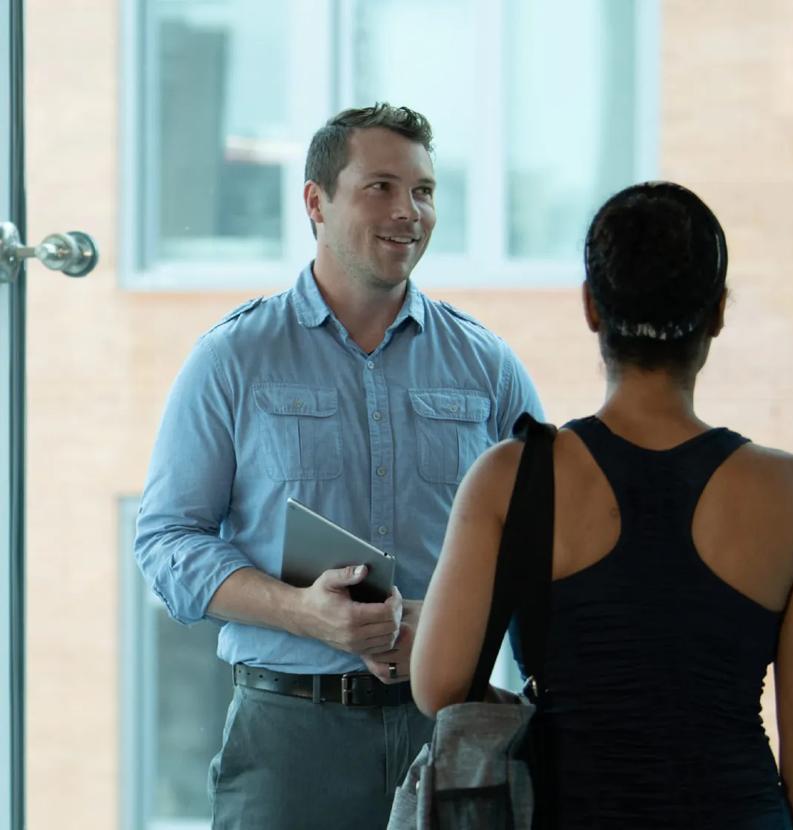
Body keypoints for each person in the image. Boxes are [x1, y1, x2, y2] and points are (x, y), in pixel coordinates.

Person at [134, 103, 542, 829]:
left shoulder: (486, 365)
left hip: (449, 729)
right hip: (290, 739)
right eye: (380, 187)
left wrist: (456, 623)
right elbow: (167, 541)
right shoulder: (232, 360)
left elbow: (546, 544)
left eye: (423, 191)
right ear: (316, 202)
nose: (408, 212)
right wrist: (302, 613)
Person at [410, 181, 793, 829]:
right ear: (717, 315)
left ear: (591, 307)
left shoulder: (510, 477)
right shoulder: (792, 492)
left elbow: (439, 685)